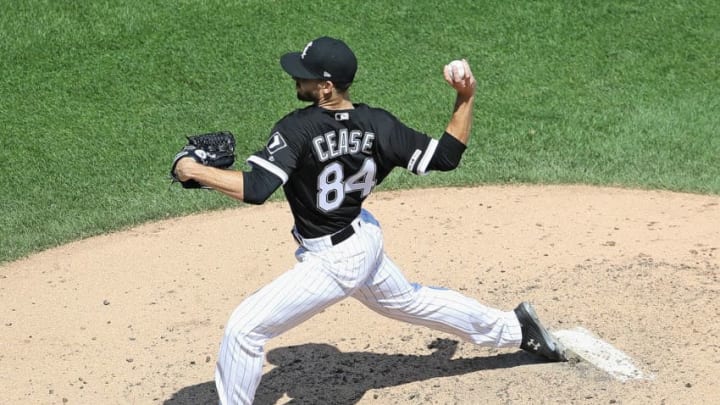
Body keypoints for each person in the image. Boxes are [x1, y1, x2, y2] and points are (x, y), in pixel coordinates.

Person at [174, 36, 567, 405]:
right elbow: (446, 156)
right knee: (410, 301)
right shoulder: (380, 124)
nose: (296, 77)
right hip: (363, 237)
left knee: (245, 329)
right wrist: (465, 97)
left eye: (305, 74)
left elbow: (256, 188)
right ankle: (516, 330)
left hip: (334, 262)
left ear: (326, 87)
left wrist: (191, 169)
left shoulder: (297, 128)